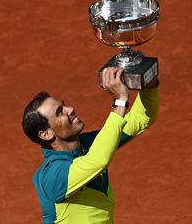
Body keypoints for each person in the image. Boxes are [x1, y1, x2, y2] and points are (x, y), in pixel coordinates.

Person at [22, 67, 160, 224]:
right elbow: (98, 160)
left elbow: (139, 119)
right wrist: (121, 99)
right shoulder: (52, 176)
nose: (70, 109)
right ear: (45, 134)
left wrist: (149, 81)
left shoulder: (87, 145)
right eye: (60, 112)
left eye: (64, 105)